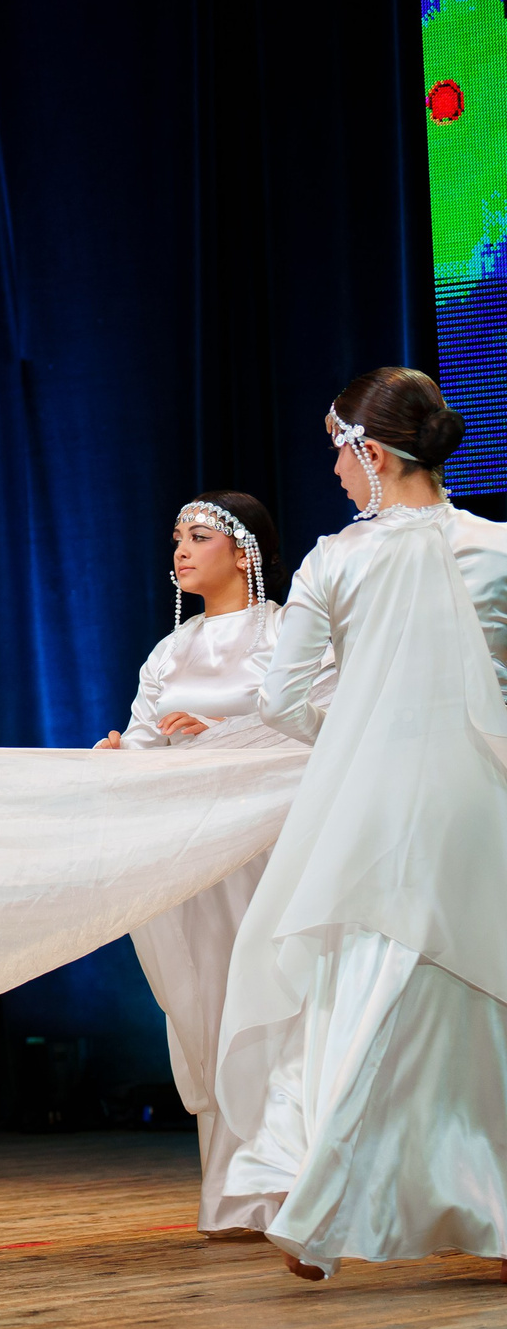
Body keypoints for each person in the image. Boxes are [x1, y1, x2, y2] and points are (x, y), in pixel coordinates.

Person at [213, 367, 507, 1281]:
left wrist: (360, 735)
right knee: (476, 978)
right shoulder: (497, 548)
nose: (337, 473)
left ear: (370, 452)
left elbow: (281, 695)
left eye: (338, 452)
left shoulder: (338, 559)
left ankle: (328, 1195)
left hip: (379, 800)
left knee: (372, 973)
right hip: (481, 795)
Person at [92, 491, 313, 1236]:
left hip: (265, 846)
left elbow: (320, 724)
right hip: (194, 854)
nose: (181, 551)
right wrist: (123, 755)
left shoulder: (286, 633)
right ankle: (232, 1190)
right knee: (208, 1004)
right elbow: (148, 736)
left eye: (198, 537)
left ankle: (292, 1186)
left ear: (243, 549)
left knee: (275, 1000)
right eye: (177, 537)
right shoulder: (171, 648)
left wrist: (226, 732)